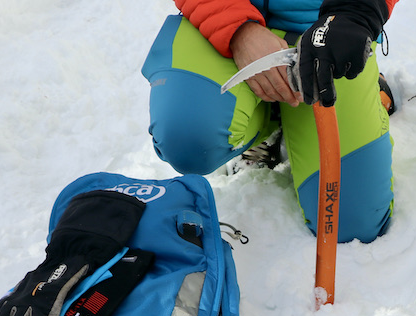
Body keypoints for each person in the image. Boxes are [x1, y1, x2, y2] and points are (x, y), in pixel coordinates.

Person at [141, 0, 398, 243]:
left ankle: (368, 94)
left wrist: (354, 13)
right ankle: (269, 116)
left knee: (348, 223)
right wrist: (238, 30)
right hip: (224, 17)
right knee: (187, 137)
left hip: (327, 30)